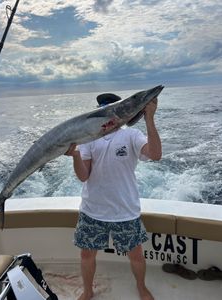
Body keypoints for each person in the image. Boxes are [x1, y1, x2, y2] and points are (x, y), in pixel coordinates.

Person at [66, 92, 162, 300]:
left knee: (135, 255)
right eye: (102, 111)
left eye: (109, 110)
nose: (106, 117)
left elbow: (155, 155)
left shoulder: (131, 135)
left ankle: (141, 287)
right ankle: (88, 290)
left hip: (125, 210)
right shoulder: (89, 139)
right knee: (87, 254)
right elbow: (84, 176)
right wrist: (74, 155)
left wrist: (149, 119)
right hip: (93, 209)